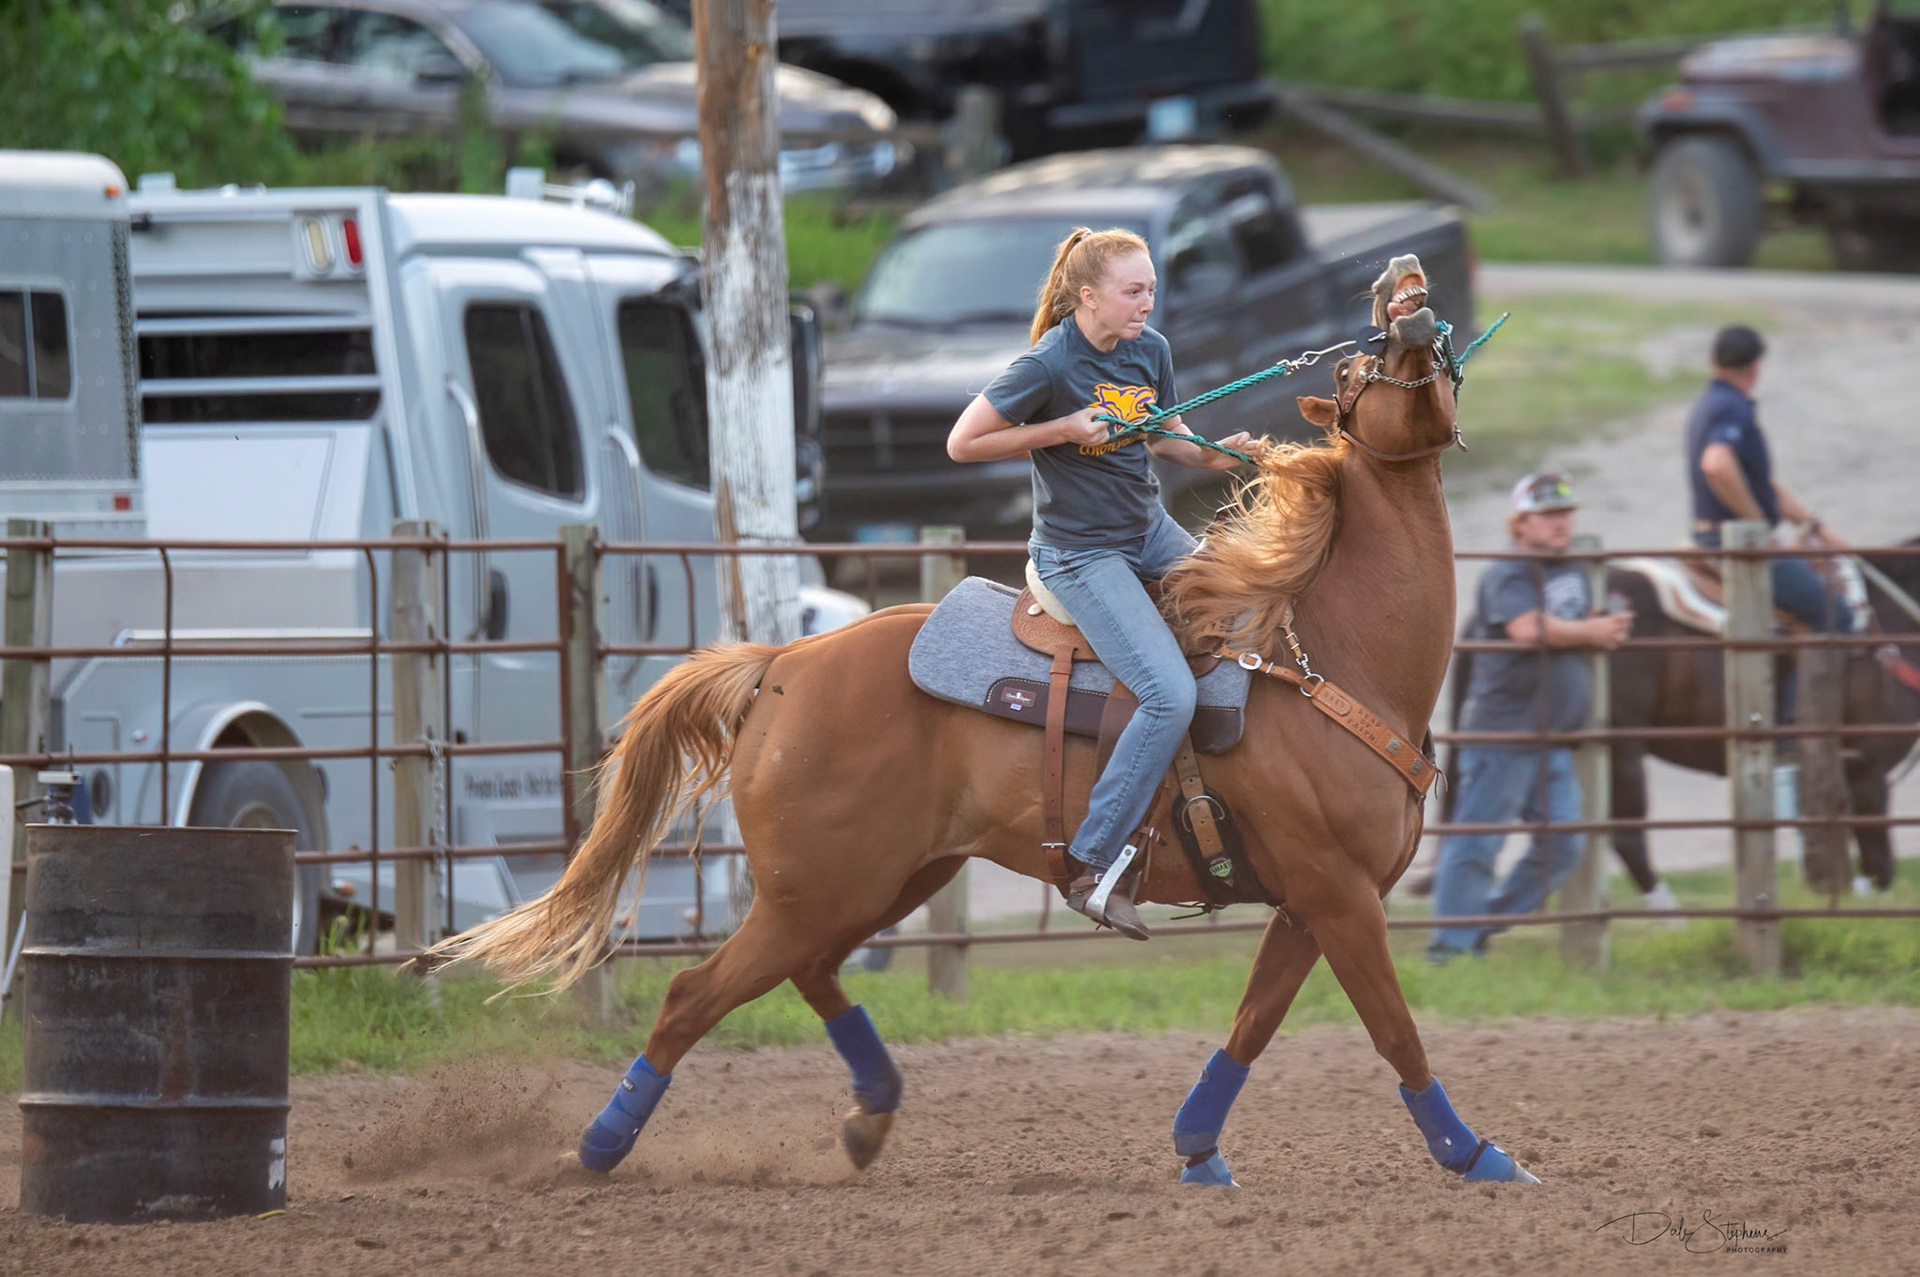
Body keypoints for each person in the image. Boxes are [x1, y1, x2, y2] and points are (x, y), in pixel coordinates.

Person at [946, 227, 1268, 939]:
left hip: (1149, 531)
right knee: (1169, 693)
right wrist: (1060, 428)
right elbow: (963, 443)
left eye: (1151, 288)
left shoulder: (1149, 349)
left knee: (1259, 612)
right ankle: (1092, 865)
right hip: (1080, 555)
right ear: (1088, 296)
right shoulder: (1048, 362)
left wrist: (1215, 456)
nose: (1147, 302)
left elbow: (1165, 437)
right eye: (1133, 291)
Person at [1428, 472, 1633, 964]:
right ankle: (1449, 950)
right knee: (1478, 841)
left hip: (1550, 738)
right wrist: (1593, 632)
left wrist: (1599, 623)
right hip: (1504, 733)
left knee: (1563, 843)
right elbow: (1526, 629)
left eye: (1565, 514)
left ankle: (1478, 928)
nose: (1560, 523)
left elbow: (1568, 621)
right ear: (1520, 524)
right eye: (1547, 515)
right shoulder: (1510, 571)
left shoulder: (1570, 569)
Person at [1686, 324, 1851, 639]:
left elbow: (1763, 485)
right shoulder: (1733, 407)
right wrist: (1757, 525)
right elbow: (1716, 464)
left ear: (1713, 361)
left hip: (1712, 536)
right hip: (1735, 543)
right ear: (1756, 366)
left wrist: (1815, 527)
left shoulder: (1708, 404)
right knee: (1836, 615)